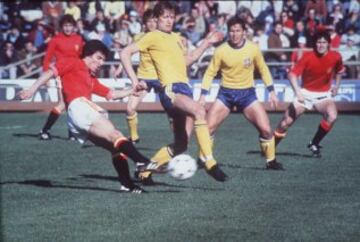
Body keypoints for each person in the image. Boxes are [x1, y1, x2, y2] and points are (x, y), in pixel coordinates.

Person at [18, 39, 160, 193]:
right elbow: (50, 72)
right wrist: (32, 89)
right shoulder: (74, 62)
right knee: (116, 135)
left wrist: (131, 91)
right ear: (88, 55)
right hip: (79, 107)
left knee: (115, 147)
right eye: (99, 58)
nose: (101, 63)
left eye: (103, 60)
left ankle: (127, 184)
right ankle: (141, 161)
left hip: (77, 117)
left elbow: (111, 94)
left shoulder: (90, 78)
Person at [120, 1, 228, 184]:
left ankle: (145, 171)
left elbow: (189, 60)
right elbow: (125, 53)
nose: (169, 20)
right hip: (171, 90)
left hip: (184, 89)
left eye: (172, 16)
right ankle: (209, 162)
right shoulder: (152, 36)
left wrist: (207, 42)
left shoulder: (177, 38)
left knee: (181, 145)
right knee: (200, 111)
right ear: (157, 19)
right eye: (165, 17)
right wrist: (134, 80)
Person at [198, 17, 283, 170]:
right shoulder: (221, 50)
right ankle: (202, 158)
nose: (235, 34)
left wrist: (272, 91)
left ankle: (271, 161)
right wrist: (203, 95)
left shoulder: (253, 49)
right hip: (226, 94)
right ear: (228, 32)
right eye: (232, 31)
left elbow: (263, 69)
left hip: (247, 95)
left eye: (238, 31)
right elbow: (210, 73)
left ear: (244, 32)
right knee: (208, 128)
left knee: (266, 129)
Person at [273, 31, 345, 157]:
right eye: (318, 42)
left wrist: (337, 86)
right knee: (285, 123)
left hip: (323, 96)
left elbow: (339, 71)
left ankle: (314, 143)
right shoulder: (307, 56)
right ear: (314, 43)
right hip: (305, 93)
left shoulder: (336, 56)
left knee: (332, 116)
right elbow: (292, 74)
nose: (321, 45)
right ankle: (270, 147)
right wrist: (298, 92)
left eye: (324, 42)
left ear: (328, 44)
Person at [39, 14, 84, 141]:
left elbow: (81, 57)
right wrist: (45, 77)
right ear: (61, 27)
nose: (68, 28)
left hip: (76, 75)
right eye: (65, 25)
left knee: (73, 103)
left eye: (70, 25)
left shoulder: (79, 39)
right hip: (62, 74)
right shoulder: (55, 40)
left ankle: (71, 133)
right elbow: (47, 59)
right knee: (63, 103)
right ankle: (45, 130)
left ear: (74, 26)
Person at [125, 9, 160, 144]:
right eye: (149, 21)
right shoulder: (139, 37)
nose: (152, 24)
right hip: (144, 79)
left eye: (154, 21)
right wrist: (118, 68)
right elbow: (128, 52)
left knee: (172, 112)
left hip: (161, 79)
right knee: (130, 108)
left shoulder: (164, 37)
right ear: (144, 23)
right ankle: (134, 137)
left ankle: (179, 140)